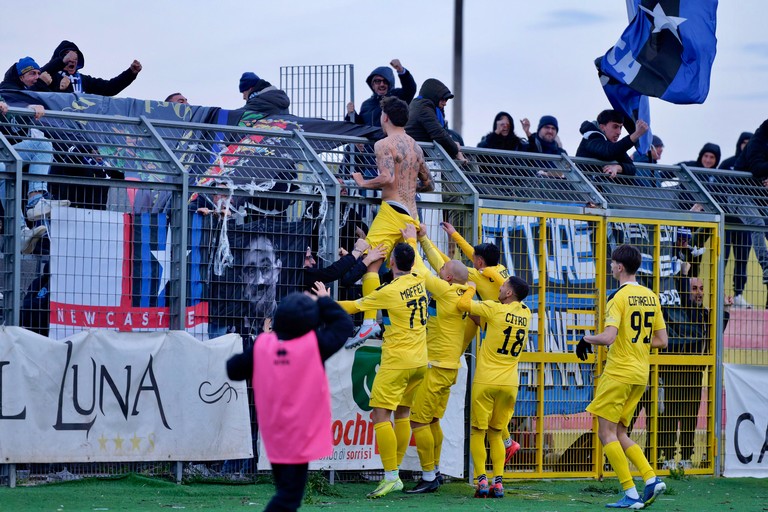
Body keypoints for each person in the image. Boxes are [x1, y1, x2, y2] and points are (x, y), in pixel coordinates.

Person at [226, 284, 354, 512]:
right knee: (289, 497)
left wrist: (261, 350)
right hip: (300, 435)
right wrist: (324, 301)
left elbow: (233, 369)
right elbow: (344, 325)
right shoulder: (314, 345)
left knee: (287, 493)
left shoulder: (263, 346)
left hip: (275, 436)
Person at [576, 244, 668, 509]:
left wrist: (586, 338)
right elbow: (662, 340)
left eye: (612, 263)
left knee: (605, 433)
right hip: (641, 374)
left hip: (619, 372)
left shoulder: (618, 297)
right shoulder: (651, 295)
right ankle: (650, 477)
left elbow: (608, 337)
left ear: (618, 266)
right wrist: (636, 342)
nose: (611, 266)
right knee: (620, 431)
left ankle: (630, 493)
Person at [337, 242, 428, 499]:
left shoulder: (390, 291)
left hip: (398, 362)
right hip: (420, 361)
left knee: (379, 416)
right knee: (402, 413)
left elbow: (356, 306)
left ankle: (391, 476)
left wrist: (323, 300)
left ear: (391, 263)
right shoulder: (419, 278)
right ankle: (395, 469)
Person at [344, 96, 433, 348]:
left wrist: (362, 183)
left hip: (392, 211)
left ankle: (370, 321)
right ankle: (403, 325)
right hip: (412, 217)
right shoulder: (416, 147)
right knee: (408, 274)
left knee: (370, 262)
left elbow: (386, 176)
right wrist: (407, 185)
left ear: (385, 117)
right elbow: (428, 184)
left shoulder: (384, 144)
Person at [438, 221, 522, 462]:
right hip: (493, 326)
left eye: (475, 258)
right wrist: (454, 233)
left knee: (456, 358)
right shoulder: (501, 270)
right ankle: (507, 442)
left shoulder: (479, 275)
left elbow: (449, 265)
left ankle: (501, 446)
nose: (472, 259)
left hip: (490, 325)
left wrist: (427, 243)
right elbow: (472, 255)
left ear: (480, 263)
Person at [400, 223, 473, 493]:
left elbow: (419, 270)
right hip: (449, 367)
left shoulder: (444, 290)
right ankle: (436, 470)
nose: (439, 269)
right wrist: (424, 239)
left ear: (449, 279)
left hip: (437, 367)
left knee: (418, 421)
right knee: (431, 421)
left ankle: (429, 476)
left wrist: (409, 243)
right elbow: (437, 265)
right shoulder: (459, 289)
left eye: (443, 270)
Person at [457, 275, 531, 499]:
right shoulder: (526, 313)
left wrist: (471, 287)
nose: (499, 287)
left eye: (503, 286)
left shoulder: (493, 309)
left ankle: (481, 480)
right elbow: (516, 291)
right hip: (509, 384)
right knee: (497, 433)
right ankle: (498, 482)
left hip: (486, 380)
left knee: (478, 432)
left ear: (509, 293)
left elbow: (462, 305)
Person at [659, 277, 730, 470]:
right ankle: (667, 457)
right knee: (670, 415)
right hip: (673, 371)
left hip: (695, 373)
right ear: (684, 290)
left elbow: (716, 333)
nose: (699, 292)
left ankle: (686, 457)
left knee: (690, 416)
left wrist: (725, 310)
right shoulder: (676, 312)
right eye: (694, 289)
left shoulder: (704, 314)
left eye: (701, 288)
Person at [731, 119, 768, 299]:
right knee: (757, 223)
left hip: (756, 194)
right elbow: (757, 167)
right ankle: (766, 265)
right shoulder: (757, 142)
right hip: (739, 194)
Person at [719, 132, 754, 309]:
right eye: (744, 143)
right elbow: (716, 188)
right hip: (726, 221)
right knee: (722, 259)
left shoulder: (755, 166)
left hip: (745, 222)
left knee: (742, 260)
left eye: (750, 143)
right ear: (739, 144)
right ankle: (720, 294)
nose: (746, 146)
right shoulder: (727, 164)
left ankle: (738, 295)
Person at [41, 41, 141, 96]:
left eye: (76, 56)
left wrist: (130, 73)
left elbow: (109, 88)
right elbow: (36, 79)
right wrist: (60, 90)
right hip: (53, 126)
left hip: (80, 127)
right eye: (67, 55)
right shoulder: (49, 75)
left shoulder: (84, 80)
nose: (72, 59)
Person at [405, 78, 466, 161]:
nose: (445, 103)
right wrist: (456, 150)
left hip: (419, 156)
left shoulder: (419, 104)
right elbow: (438, 134)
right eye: (443, 99)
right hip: (422, 157)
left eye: (446, 100)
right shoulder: (424, 107)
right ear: (434, 96)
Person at [576, 109, 648, 178]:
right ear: (602, 127)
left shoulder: (612, 144)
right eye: (615, 127)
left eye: (620, 127)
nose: (619, 132)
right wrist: (636, 135)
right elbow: (608, 151)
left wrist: (617, 167)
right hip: (583, 188)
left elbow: (632, 168)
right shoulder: (591, 138)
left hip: (599, 188)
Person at [346, 59, 416, 127]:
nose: (382, 84)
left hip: (392, 138)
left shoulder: (397, 98)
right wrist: (351, 114)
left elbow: (410, 89)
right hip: (372, 139)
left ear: (390, 84)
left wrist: (401, 70)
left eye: (385, 81)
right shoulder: (366, 105)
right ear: (372, 85)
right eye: (377, 81)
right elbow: (360, 126)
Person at [242, 235, 282, 335]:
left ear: (278, 270)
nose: (259, 280)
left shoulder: (287, 324)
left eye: (265, 268)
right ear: (241, 277)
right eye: (251, 271)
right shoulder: (230, 328)